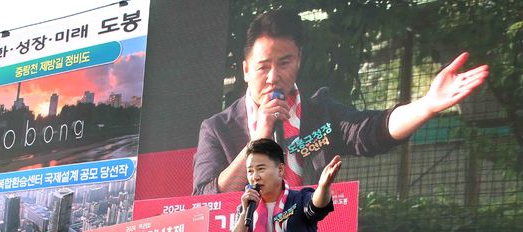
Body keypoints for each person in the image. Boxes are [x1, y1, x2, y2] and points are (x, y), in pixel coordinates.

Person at [193, 9, 488, 195]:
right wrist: (257, 143)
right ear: (245, 69)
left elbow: (372, 130)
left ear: (298, 61)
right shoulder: (218, 128)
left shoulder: (321, 114)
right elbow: (206, 196)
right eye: (262, 66)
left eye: (284, 63)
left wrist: (427, 105)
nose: (273, 76)